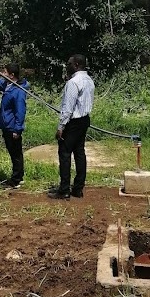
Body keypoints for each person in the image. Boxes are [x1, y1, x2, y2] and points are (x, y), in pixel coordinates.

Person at [48, 54, 95, 200]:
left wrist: (61, 127)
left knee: (65, 153)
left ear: (76, 65)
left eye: (68, 64)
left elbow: (68, 108)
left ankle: (64, 190)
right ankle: (78, 189)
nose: (66, 66)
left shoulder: (73, 82)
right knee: (80, 153)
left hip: (73, 123)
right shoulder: (89, 80)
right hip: (84, 120)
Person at [0, 62, 29, 188]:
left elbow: (20, 111)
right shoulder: (8, 85)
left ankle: (16, 179)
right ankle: (18, 176)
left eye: (5, 72)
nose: (2, 74)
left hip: (12, 127)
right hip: (7, 125)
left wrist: (17, 129)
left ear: (12, 75)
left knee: (15, 153)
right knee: (13, 152)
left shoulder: (18, 91)